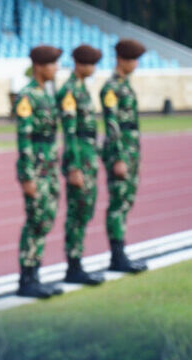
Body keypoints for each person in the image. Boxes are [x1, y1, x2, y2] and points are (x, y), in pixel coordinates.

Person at [14, 45, 65, 299]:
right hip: (36, 170)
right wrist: (27, 175)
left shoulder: (46, 95)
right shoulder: (27, 96)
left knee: (45, 220)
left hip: (49, 169)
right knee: (35, 221)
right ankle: (27, 279)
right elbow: (24, 139)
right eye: (52, 64)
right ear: (39, 66)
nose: (56, 68)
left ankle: (36, 276)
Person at [57, 45, 105, 286]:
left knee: (85, 212)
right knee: (77, 213)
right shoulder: (69, 92)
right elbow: (70, 133)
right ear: (79, 64)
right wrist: (74, 167)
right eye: (90, 64)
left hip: (88, 157)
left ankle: (77, 264)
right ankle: (73, 267)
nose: (93, 68)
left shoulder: (82, 89)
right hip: (79, 160)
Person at [101, 39, 148, 274]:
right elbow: (112, 124)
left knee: (127, 201)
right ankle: (117, 256)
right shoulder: (111, 88)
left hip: (130, 152)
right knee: (118, 203)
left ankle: (121, 253)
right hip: (120, 153)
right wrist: (119, 157)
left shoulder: (125, 86)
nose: (136, 64)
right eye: (133, 60)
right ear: (121, 60)